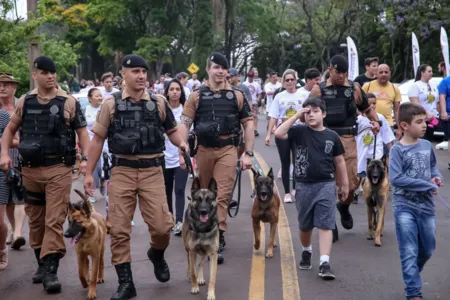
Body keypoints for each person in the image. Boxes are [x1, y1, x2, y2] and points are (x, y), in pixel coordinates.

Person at [84, 54, 188, 300]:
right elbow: (97, 140)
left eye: (144, 71)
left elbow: (172, 131)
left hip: (153, 171)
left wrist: (182, 144)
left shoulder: (159, 102)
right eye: (135, 72)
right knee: (119, 229)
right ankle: (126, 283)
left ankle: (157, 254)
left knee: (163, 226)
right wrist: (88, 172)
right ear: (123, 74)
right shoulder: (111, 104)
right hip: (122, 171)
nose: (141, 76)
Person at [0, 57, 90, 292]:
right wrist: (4, 154)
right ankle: (41, 260)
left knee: (54, 219)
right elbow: (9, 131)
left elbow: (82, 132)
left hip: (58, 168)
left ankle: (51, 269)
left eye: (53, 72)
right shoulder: (26, 102)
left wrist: (86, 160)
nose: (50, 76)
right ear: (35, 75)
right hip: (29, 169)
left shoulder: (68, 102)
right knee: (36, 219)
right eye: (45, 72)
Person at [178, 52, 255, 264]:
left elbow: (248, 123)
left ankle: (218, 236)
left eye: (223, 68)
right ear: (208, 69)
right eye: (216, 67)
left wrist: (248, 153)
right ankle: (202, 229)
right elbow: (184, 123)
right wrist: (182, 149)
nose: (220, 71)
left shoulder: (237, 96)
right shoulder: (196, 96)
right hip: (203, 150)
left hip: (228, 149)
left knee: (222, 193)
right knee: (204, 194)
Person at [274, 96, 348, 280]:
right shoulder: (298, 131)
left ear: (323, 114)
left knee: (325, 224)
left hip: (326, 184)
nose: (311, 115)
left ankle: (324, 262)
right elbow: (279, 133)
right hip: (304, 185)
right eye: (308, 112)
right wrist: (297, 115)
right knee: (305, 226)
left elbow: (339, 161)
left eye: (315, 111)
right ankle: (307, 250)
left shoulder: (332, 136)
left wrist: (344, 183)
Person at [309, 55, 380, 242]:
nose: (341, 76)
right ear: (330, 70)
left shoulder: (354, 89)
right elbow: (306, 112)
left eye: (344, 72)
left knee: (351, 183)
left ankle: (344, 206)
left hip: (347, 138)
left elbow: (366, 108)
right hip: (324, 138)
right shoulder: (319, 90)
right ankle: (330, 224)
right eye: (338, 72)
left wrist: (376, 121)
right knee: (326, 184)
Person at [389, 102, 443, 300]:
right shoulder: (397, 150)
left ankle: (412, 274)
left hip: (426, 206)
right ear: (404, 125)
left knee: (428, 248)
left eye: (424, 122)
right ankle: (413, 292)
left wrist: (437, 179)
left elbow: (433, 169)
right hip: (404, 206)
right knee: (409, 250)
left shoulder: (428, 145)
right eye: (419, 122)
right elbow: (396, 179)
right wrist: (427, 185)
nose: (424, 126)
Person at [266, 69, 306, 203]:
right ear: (283, 82)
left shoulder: (303, 95)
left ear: (296, 81)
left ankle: (295, 187)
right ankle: (287, 192)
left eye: (292, 79)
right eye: (287, 80)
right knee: (285, 162)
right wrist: (268, 134)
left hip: (299, 130)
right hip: (283, 131)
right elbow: (273, 116)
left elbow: (309, 114)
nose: (289, 82)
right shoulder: (279, 96)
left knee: (297, 161)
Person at [355, 93, 395, 203]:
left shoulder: (380, 118)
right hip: (362, 151)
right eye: (369, 103)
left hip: (376, 151)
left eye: (374, 103)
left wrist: (391, 151)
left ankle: (378, 191)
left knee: (376, 171)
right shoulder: (357, 120)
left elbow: (387, 136)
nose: (372, 106)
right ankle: (355, 191)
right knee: (360, 172)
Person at [163, 79, 189, 236]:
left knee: (179, 189)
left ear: (181, 92)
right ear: (167, 91)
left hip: (181, 156)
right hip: (163, 156)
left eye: (177, 89)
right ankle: (170, 219)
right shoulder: (162, 109)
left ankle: (179, 221)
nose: (174, 92)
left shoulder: (186, 111)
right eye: (171, 89)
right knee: (166, 191)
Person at [362, 64, 401, 135]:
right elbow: (359, 105)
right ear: (376, 74)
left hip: (388, 125)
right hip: (370, 124)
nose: (383, 74)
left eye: (386, 72)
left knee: (388, 146)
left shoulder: (395, 89)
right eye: (381, 72)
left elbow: (396, 110)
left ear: (390, 73)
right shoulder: (367, 86)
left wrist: (399, 128)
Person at [408, 64, 439, 141]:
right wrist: (426, 114)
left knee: (429, 140)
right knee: (421, 140)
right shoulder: (415, 85)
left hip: (432, 119)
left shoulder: (434, 85)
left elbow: (437, 102)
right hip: (421, 119)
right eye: (429, 71)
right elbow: (415, 103)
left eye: (432, 71)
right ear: (422, 73)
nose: (431, 73)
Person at [243, 70, 262, 136]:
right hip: (246, 103)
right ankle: (247, 129)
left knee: (255, 116)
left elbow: (259, 93)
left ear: (253, 77)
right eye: (249, 76)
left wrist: (258, 99)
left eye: (251, 76)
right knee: (247, 116)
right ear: (247, 76)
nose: (250, 78)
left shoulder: (256, 84)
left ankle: (255, 129)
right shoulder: (244, 84)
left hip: (254, 102)